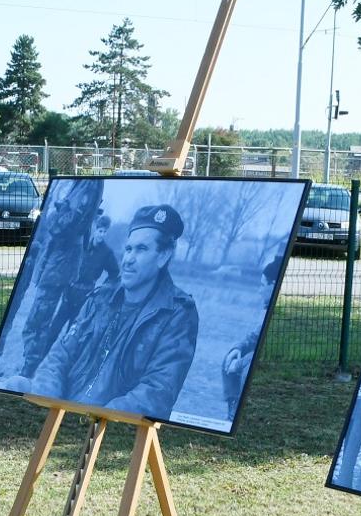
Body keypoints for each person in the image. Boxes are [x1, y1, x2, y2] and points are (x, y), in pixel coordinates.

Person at [33, 203, 200, 417]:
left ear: (163, 256)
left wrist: (94, 417)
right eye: (128, 249)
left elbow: (158, 392)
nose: (128, 259)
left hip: (109, 422)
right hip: (64, 405)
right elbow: (59, 356)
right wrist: (48, 397)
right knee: (16, 384)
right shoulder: (101, 297)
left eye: (141, 249)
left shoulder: (177, 313)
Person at [18, 178, 108, 376]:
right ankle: (30, 366)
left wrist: (55, 216)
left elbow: (69, 223)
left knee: (38, 318)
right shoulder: (82, 182)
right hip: (58, 256)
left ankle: (29, 368)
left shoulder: (90, 183)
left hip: (62, 259)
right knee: (40, 318)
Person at [219, 259, 280, 420]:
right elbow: (255, 336)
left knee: (246, 370)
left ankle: (243, 412)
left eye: (262, 285)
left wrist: (240, 363)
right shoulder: (268, 307)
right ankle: (233, 411)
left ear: (273, 285)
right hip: (256, 355)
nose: (259, 291)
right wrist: (239, 348)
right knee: (229, 357)